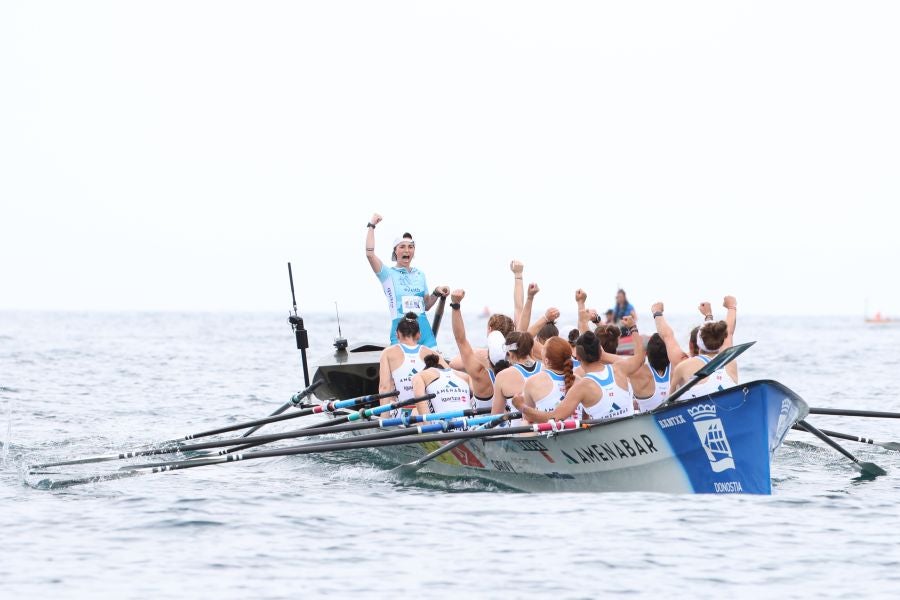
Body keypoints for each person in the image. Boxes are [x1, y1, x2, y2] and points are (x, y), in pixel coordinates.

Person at [514, 318, 646, 423]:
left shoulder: (581, 385)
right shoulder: (620, 368)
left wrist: (522, 407)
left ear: (577, 357)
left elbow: (554, 418)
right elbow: (640, 359)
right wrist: (633, 328)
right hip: (627, 433)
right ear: (600, 351)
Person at [365, 213, 448, 349]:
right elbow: (369, 254)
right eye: (402, 246)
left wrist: (436, 293)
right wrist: (372, 226)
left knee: (433, 370)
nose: (407, 250)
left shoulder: (420, 274)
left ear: (414, 251)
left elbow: (426, 305)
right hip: (401, 332)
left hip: (424, 333)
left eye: (410, 247)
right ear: (395, 251)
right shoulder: (387, 274)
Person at [377, 313, 448, 415]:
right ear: (419, 335)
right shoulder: (432, 353)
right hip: (427, 412)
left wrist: (384, 420)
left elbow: (384, 387)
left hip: (403, 413)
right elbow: (450, 375)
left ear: (397, 334)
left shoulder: (387, 353)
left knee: (392, 397)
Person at [448, 289, 497, 410]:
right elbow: (519, 312)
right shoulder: (516, 364)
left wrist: (455, 305)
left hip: (481, 424)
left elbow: (460, 340)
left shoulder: (479, 364)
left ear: (490, 330)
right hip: (506, 422)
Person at [668, 320, 737, 399]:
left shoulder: (683, 366)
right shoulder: (731, 362)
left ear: (698, 343)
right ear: (720, 341)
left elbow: (669, 401)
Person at [515, 337, 577, 416]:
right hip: (582, 428)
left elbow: (528, 418)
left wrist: (520, 406)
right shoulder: (580, 381)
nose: (541, 349)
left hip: (548, 427)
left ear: (547, 360)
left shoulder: (533, 382)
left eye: (543, 348)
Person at [490, 331, 542, 425]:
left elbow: (495, 416)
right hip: (547, 427)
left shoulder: (502, 376)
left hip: (520, 433)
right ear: (531, 350)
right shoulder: (546, 368)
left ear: (509, 352)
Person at [628, 333, 671, 412]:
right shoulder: (678, 367)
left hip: (649, 422)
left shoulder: (637, 372)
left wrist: (633, 328)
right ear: (669, 353)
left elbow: (637, 359)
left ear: (646, 354)